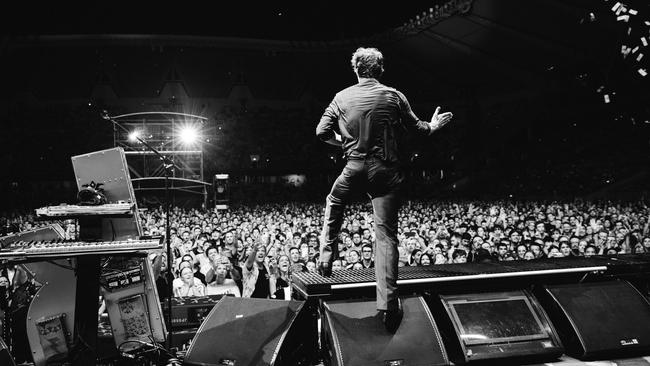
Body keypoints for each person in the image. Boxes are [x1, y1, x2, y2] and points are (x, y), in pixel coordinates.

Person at [316, 47, 453, 333]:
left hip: (353, 166)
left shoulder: (341, 97)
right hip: (386, 172)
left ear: (356, 70)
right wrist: (435, 125)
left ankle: (326, 257)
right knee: (385, 236)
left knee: (335, 200)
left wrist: (344, 142)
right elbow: (419, 129)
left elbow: (321, 132)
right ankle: (388, 306)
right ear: (380, 70)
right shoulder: (393, 95)